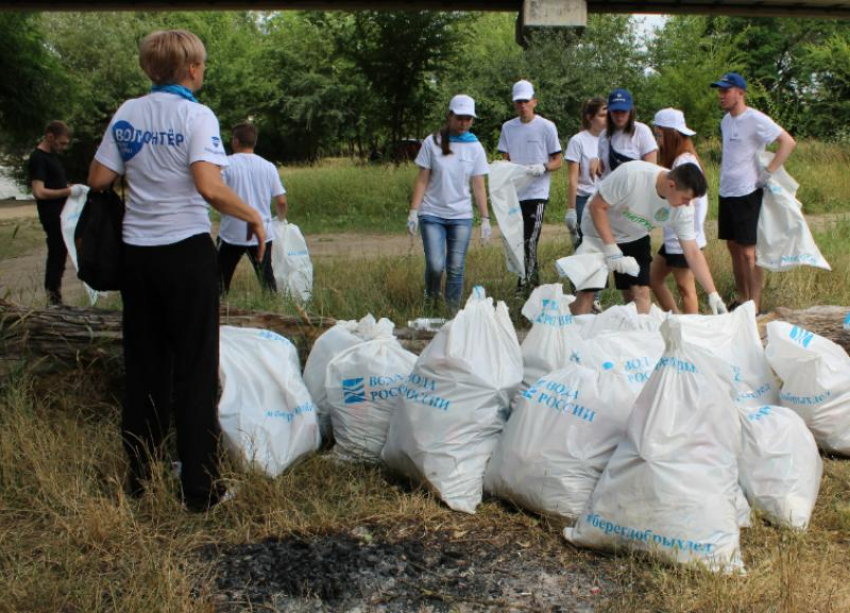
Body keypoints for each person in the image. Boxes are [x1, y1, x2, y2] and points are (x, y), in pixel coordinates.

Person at [87, 29, 265, 512]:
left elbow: (99, 178)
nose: (202, 73)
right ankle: (200, 491)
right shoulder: (195, 114)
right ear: (189, 69)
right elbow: (208, 186)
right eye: (202, 66)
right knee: (194, 369)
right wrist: (251, 214)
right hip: (185, 252)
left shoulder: (127, 112)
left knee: (144, 366)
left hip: (137, 257)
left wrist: (143, 167)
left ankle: (141, 480)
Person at [570, 160, 727, 316]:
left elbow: (692, 252)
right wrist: (611, 248)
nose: (688, 204)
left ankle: (640, 337)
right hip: (597, 232)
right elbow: (596, 206)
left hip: (635, 235)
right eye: (686, 198)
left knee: (641, 292)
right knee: (587, 294)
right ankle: (571, 335)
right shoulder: (632, 175)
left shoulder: (684, 209)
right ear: (671, 185)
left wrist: (713, 294)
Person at [710, 72, 796, 313]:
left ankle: (755, 307)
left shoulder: (756, 118)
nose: (722, 95)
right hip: (727, 191)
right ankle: (742, 297)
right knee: (733, 247)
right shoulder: (726, 121)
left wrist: (768, 171)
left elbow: (787, 142)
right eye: (720, 91)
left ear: (740, 92)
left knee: (749, 252)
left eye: (726, 91)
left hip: (748, 191)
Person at [407, 94, 491, 313]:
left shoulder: (475, 147)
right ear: (450, 116)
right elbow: (423, 178)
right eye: (459, 117)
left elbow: (479, 185)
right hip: (432, 213)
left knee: (455, 268)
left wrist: (485, 219)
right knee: (435, 265)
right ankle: (431, 303)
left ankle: (451, 312)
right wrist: (413, 212)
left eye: (468, 118)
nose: (464, 122)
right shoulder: (432, 141)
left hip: (461, 216)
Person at [497, 79, 562, 294]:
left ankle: (526, 284)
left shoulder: (546, 126)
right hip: (515, 193)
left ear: (534, 101)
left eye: (526, 101)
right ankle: (529, 281)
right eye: (518, 102)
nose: (522, 106)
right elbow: (505, 159)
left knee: (530, 239)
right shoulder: (508, 127)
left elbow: (557, 160)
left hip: (537, 192)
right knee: (515, 240)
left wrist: (542, 167)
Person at [649, 109, 709, 314]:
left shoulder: (683, 162)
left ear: (670, 133)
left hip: (682, 236)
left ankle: (690, 330)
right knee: (654, 278)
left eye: (658, 134)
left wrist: (689, 233)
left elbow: (693, 203)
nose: (658, 141)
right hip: (674, 236)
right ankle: (675, 318)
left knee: (686, 288)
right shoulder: (681, 159)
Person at [217, 121, 287, 294]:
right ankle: (272, 308)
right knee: (266, 277)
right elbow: (281, 201)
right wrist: (280, 220)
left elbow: (217, 194)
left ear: (235, 141)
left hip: (232, 233)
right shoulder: (268, 166)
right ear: (254, 142)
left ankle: (221, 309)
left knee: (219, 277)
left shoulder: (225, 165)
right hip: (262, 232)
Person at [28, 121, 82, 305]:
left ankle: (55, 298)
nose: (64, 147)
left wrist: (73, 188)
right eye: (62, 143)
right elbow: (39, 192)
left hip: (63, 214)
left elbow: (56, 185)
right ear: (50, 136)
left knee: (61, 255)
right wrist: (67, 192)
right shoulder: (38, 158)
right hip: (51, 216)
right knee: (56, 255)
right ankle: (53, 300)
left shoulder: (53, 157)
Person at [565, 97, 607, 247]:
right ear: (590, 118)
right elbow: (572, 179)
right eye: (602, 116)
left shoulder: (612, 139)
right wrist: (571, 209)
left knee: (605, 244)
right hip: (584, 198)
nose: (606, 119)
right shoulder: (578, 141)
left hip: (606, 197)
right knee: (585, 244)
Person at [592, 88, 657, 179]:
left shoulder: (642, 131)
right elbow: (602, 167)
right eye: (615, 111)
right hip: (608, 189)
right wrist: (596, 161)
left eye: (623, 111)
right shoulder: (604, 135)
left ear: (630, 111)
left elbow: (652, 170)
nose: (619, 116)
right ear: (609, 112)